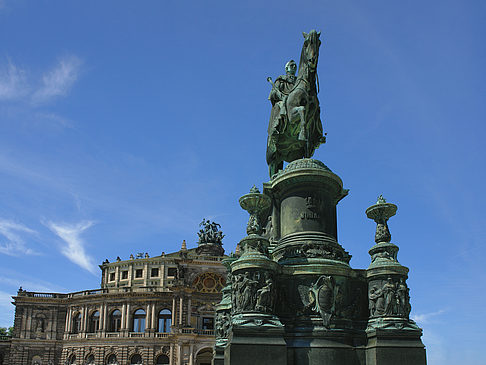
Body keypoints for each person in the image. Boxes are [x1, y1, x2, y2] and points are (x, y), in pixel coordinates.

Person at [267, 60, 298, 157]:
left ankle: (317, 133)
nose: (293, 67)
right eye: (291, 65)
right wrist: (281, 96)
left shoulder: (299, 81)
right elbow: (273, 94)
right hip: (283, 101)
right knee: (280, 106)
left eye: (294, 66)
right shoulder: (281, 80)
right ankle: (276, 128)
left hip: (295, 104)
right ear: (286, 68)